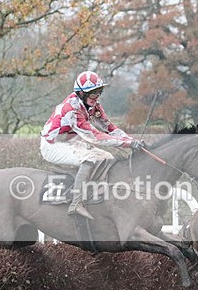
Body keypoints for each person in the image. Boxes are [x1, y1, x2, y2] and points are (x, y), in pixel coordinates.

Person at [40, 70, 143, 219]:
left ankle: (98, 194)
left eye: (99, 91)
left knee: (107, 156)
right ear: (81, 93)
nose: (97, 96)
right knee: (89, 159)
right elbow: (96, 136)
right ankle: (76, 203)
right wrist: (128, 144)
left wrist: (132, 140)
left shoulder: (93, 105)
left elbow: (110, 128)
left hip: (70, 142)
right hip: (52, 146)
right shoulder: (71, 110)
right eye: (93, 93)